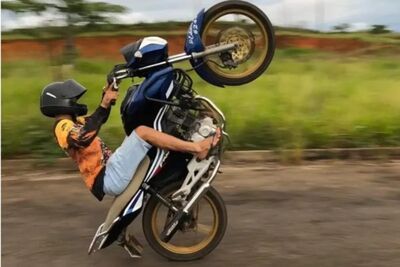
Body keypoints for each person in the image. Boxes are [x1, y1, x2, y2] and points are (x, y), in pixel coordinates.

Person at [40, 79, 220, 201]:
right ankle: (197, 147)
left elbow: (95, 121)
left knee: (145, 131)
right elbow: (83, 137)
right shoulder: (62, 126)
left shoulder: (73, 122)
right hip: (108, 177)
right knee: (142, 132)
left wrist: (106, 100)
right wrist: (103, 105)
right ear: (62, 101)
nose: (77, 101)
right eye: (74, 99)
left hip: (110, 171)